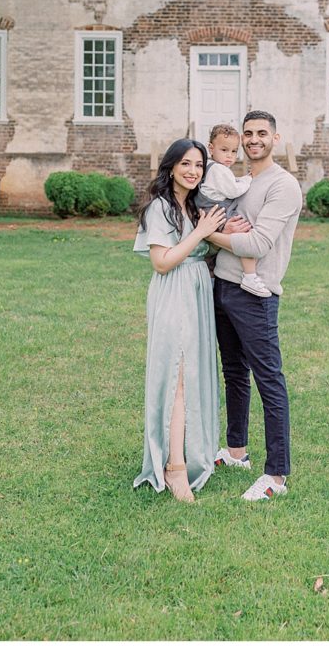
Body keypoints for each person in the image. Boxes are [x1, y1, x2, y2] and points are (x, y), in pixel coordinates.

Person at [206, 110, 303, 502]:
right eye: (248, 133)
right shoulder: (236, 182)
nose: (253, 139)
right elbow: (217, 227)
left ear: (275, 139)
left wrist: (210, 233)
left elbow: (257, 244)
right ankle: (236, 452)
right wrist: (216, 231)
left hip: (257, 295)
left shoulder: (283, 186)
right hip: (223, 286)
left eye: (261, 133)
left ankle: (276, 475)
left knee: (269, 381)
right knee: (233, 373)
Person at [133, 138, 226, 503]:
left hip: (198, 293)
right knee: (178, 377)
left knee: (195, 374)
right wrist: (202, 234)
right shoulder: (160, 208)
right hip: (174, 292)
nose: (193, 171)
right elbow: (162, 260)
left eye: (199, 165)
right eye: (186, 164)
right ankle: (174, 467)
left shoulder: (194, 207)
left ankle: (193, 452)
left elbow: (204, 248)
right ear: (171, 167)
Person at [195, 122, 271, 298]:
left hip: (210, 212)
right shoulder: (218, 170)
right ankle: (250, 276)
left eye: (234, 151)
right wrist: (249, 180)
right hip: (218, 213)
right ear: (211, 148)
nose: (230, 156)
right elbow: (234, 190)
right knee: (244, 234)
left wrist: (242, 179)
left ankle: (212, 279)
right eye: (224, 150)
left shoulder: (212, 169)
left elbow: (230, 184)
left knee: (213, 258)